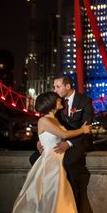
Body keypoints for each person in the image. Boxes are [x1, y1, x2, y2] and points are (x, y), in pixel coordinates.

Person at [29, 75, 93, 205]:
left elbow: (86, 127)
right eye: (54, 87)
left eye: (57, 87)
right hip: (58, 141)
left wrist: (69, 143)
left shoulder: (85, 101)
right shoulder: (57, 103)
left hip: (77, 142)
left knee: (68, 163)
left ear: (67, 86)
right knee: (34, 159)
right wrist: (40, 141)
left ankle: (72, 199)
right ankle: (48, 197)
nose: (55, 90)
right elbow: (46, 123)